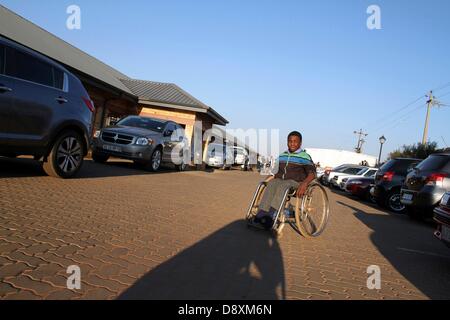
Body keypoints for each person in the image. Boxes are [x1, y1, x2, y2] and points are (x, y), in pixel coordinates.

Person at [251, 131, 316, 230]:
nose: (292, 143)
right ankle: (261, 213)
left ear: (300, 143)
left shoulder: (304, 156)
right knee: (272, 183)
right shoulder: (282, 155)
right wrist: (266, 180)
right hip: (281, 180)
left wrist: (304, 184)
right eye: (290, 141)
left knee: (283, 185)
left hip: (296, 182)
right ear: (287, 142)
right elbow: (275, 172)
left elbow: (312, 173)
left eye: (295, 141)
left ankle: (272, 215)